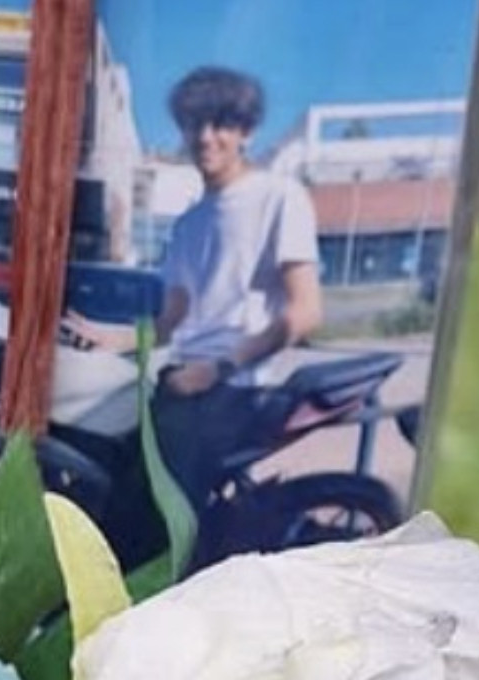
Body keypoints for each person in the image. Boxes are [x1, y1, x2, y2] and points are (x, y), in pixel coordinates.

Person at [69, 66, 323, 546]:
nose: (206, 137)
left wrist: (219, 368)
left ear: (246, 131)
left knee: (161, 520)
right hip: (185, 381)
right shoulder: (188, 224)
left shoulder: (279, 197)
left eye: (221, 123)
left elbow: (306, 310)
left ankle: (174, 591)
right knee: (104, 455)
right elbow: (174, 318)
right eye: (194, 124)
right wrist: (112, 338)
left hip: (238, 386)